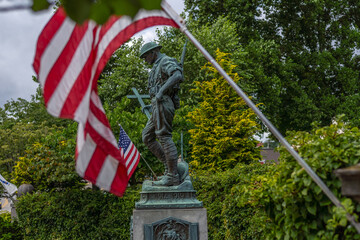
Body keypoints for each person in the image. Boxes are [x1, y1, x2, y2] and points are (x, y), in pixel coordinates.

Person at [140, 42, 183, 186]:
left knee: (164, 136)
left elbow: (177, 75)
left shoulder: (165, 61)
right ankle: (169, 167)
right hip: (157, 103)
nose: (145, 60)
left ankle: (172, 175)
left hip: (163, 102)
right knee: (147, 136)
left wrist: (161, 92)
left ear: (154, 52)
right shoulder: (156, 66)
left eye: (146, 57)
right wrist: (153, 101)